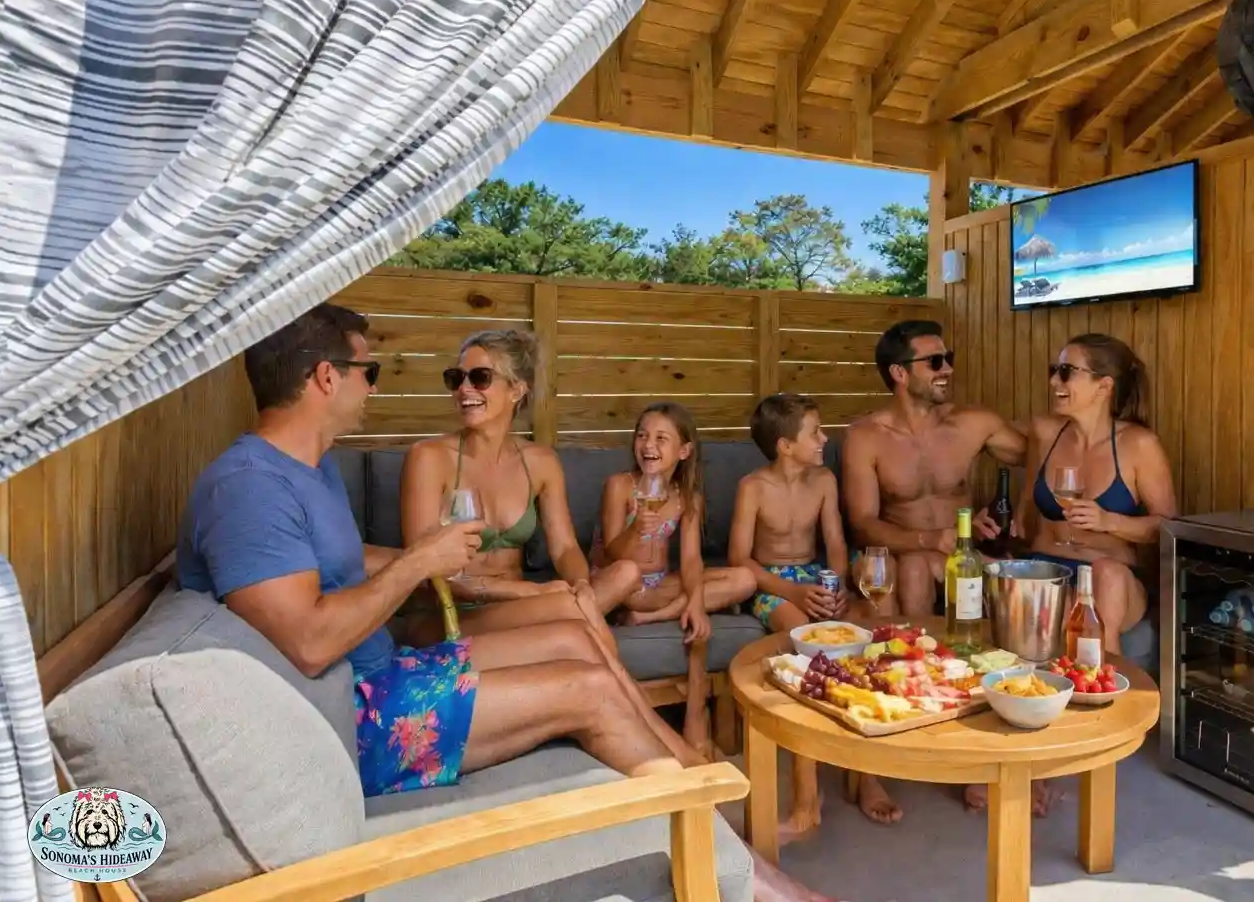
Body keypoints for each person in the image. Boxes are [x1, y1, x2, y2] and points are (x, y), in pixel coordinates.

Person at [175, 303, 841, 902]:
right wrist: (422, 561)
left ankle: (701, 790)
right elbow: (311, 641)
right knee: (588, 688)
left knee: (578, 639)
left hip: (382, 677)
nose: (372, 386)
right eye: (367, 370)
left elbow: (345, 567)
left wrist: (439, 563)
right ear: (326, 377)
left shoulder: (304, 468)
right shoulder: (250, 488)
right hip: (358, 716)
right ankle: (748, 871)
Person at [840, 318, 1030, 820]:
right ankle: (873, 765)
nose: (947, 370)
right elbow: (862, 524)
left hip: (964, 556)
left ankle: (980, 757)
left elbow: (1045, 458)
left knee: (1019, 593)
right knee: (914, 573)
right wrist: (930, 540)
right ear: (900, 374)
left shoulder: (973, 425)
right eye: (935, 362)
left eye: (949, 360)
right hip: (904, 555)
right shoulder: (866, 436)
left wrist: (1000, 516)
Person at [397, 329, 641, 638]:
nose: (464, 389)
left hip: (517, 608)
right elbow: (421, 570)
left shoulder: (540, 462)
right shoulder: (429, 458)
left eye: (480, 377)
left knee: (624, 574)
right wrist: (527, 593)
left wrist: (582, 586)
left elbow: (565, 548)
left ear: (517, 390)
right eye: (456, 378)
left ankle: (579, 624)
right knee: (574, 618)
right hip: (449, 614)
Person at [728, 392, 862, 841]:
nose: (825, 439)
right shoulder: (752, 487)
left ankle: (868, 776)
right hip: (771, 583)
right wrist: (791, 591)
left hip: (813, 575)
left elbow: (837, 546)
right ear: (785, 445)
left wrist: (835, 586)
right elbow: (739, 561)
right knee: (805, 641)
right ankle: (807, 799)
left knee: (861, 636)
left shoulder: (823, 481)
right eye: (815, 433)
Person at [592, 401, 756, 748]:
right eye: (642, 436)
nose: (648, 445)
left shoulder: (685, 497)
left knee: (745, 580)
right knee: (631, 571)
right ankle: (696, 714)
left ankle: (651, 617)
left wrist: (695, 604)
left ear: (683, 451)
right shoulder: (619, 486)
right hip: (623, 585)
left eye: (661, 438)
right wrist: (636, 529)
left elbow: (692, 560)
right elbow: (611, 555)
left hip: (659, 591)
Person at [1015, 333, 1178, 653]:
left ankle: (1108, 686)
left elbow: (1169, 528)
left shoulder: (1138, 445)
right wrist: (1002, 522)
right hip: (1048, 567)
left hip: (1113, 577)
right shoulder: (1045, 433)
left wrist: (1110, 521)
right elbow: (1025, 504)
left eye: (1066, 371)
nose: (1053, 381)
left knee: (1105, 577)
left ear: (1104, 386)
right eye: (1054, 369)